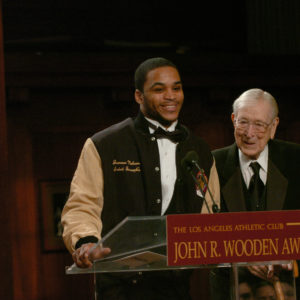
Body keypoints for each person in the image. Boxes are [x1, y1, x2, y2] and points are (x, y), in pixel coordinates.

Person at [61, 57, 220, 300]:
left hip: (176, 287)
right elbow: (82, 205)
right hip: (119, 288)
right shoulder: (104, 145)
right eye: (159, 89)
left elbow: (209, 216)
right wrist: (85, 242)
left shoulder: (199, 151)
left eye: (176, 88)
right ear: (139, 96)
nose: (171, 96)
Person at [210, 88, 300, 299]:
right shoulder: (211, 164)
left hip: (287, 287)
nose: (249, 133)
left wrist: (288, 252)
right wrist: (241, 256)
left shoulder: (296, 160)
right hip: (231, 289)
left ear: (274, 126)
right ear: (233, 120)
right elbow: (202, 232)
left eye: (259, 124)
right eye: (243, 122)